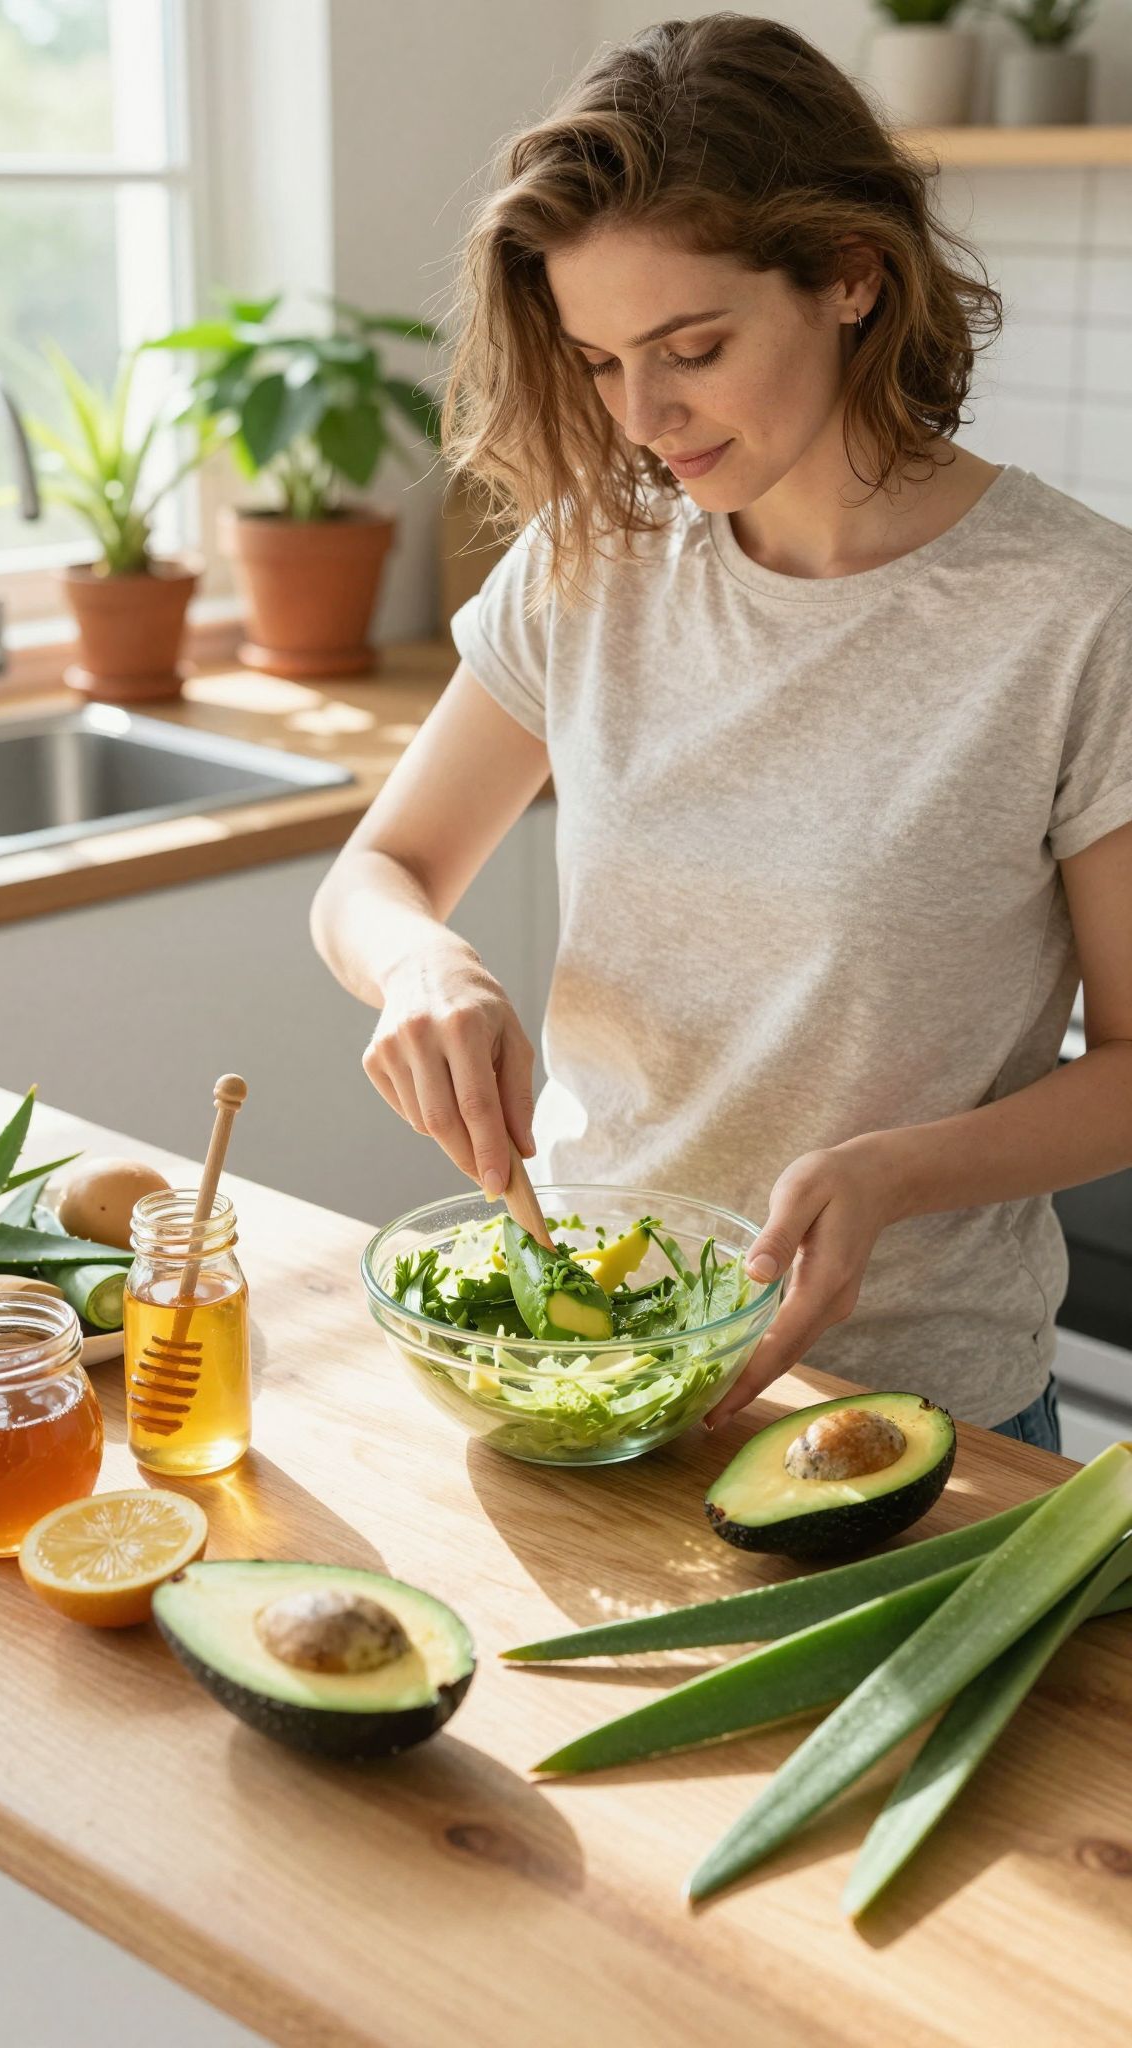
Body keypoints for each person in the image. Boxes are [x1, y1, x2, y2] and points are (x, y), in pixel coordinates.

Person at [311, 16, 1132, 1453]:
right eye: (599, 359)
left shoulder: (1077, 615)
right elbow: (377, 872)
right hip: (595, 1362)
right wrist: (418, 964)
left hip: (914, 1411)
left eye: (693, 347)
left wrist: (896, 1175)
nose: (642, 417)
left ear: (852, 277)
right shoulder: (592, 565)